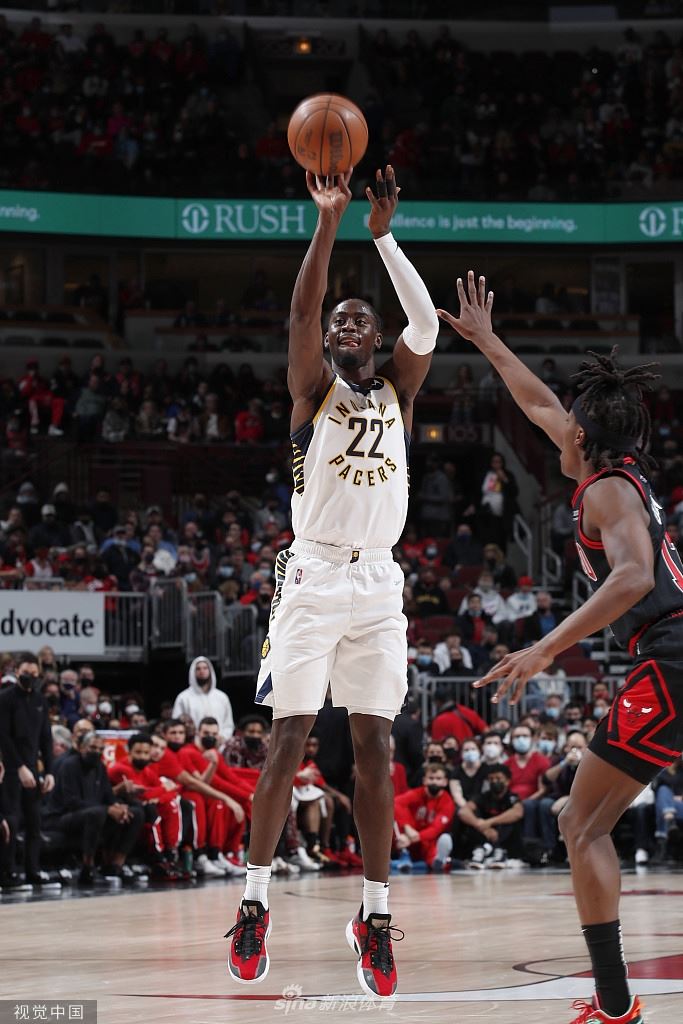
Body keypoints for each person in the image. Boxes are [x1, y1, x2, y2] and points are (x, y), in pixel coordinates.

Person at [437, 271, 679, 1024]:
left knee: (581, 824)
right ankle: (613, 999)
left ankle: (614, 1003)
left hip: (671, 659)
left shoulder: (607, 490)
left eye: (568, 420)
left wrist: (544, 647)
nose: (556, 420)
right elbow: (538, 402)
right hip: (668, 658)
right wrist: (486, 341)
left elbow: (635, 576)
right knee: (582, 822)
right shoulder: (612, 472)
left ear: (583, 438)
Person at [227, 164, 438, 999]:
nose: (345, 323)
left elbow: (426, 320)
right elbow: (300, 313)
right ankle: (253, 904)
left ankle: (374, 918)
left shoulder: (399, 392)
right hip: (312, 575)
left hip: (379, 582)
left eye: (360, 319)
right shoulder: (311, 389)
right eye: (339, 319)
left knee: (375, 747)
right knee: (288, 740)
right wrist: (329, 221)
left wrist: (381, 236)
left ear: (376, 340)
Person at [0, 653, 56, 887]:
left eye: (34, 674)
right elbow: (3, 737)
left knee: (35, 823)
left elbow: (46, 738)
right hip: (10, 769)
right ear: (16, 671)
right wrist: (20, 767)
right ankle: (7, 873)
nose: (30, 677)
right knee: (11, 822)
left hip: (33, 767)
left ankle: (33, 871)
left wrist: (50, 771)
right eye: (26, 672)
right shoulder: (5, 698)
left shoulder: (41, 700)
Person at [172, 657, 235, 739]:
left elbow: (228, 724)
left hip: (219, 743)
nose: (202, 671)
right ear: (193, 672)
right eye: (198, 669)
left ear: (210, 671)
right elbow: (176, 723)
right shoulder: (183, 697)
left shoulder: (222, 697)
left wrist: (223, 738)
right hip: (193, 742)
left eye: (205, 668)